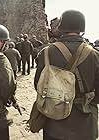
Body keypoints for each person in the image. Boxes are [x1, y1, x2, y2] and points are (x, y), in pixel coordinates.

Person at [34, 10, 99, 140]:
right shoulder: (95, 55)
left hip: (54, 121)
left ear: (62, 27)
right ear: (82, 29)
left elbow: (38, 85)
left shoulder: (46, 52)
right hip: (85, 123)